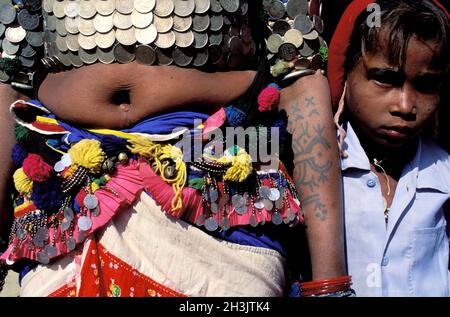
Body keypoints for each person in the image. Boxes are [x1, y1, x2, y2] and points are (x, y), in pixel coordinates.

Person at [0, 0, 349, 297]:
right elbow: (7, 81)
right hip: (67, 190)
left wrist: (329, 285)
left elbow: (300, 79)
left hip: (220, 197)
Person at [327, 0, 450, 296]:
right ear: (345, 73)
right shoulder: (315, 170)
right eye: (384, 78)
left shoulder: (444, 173)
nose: (406, 106)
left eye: (426, 85)